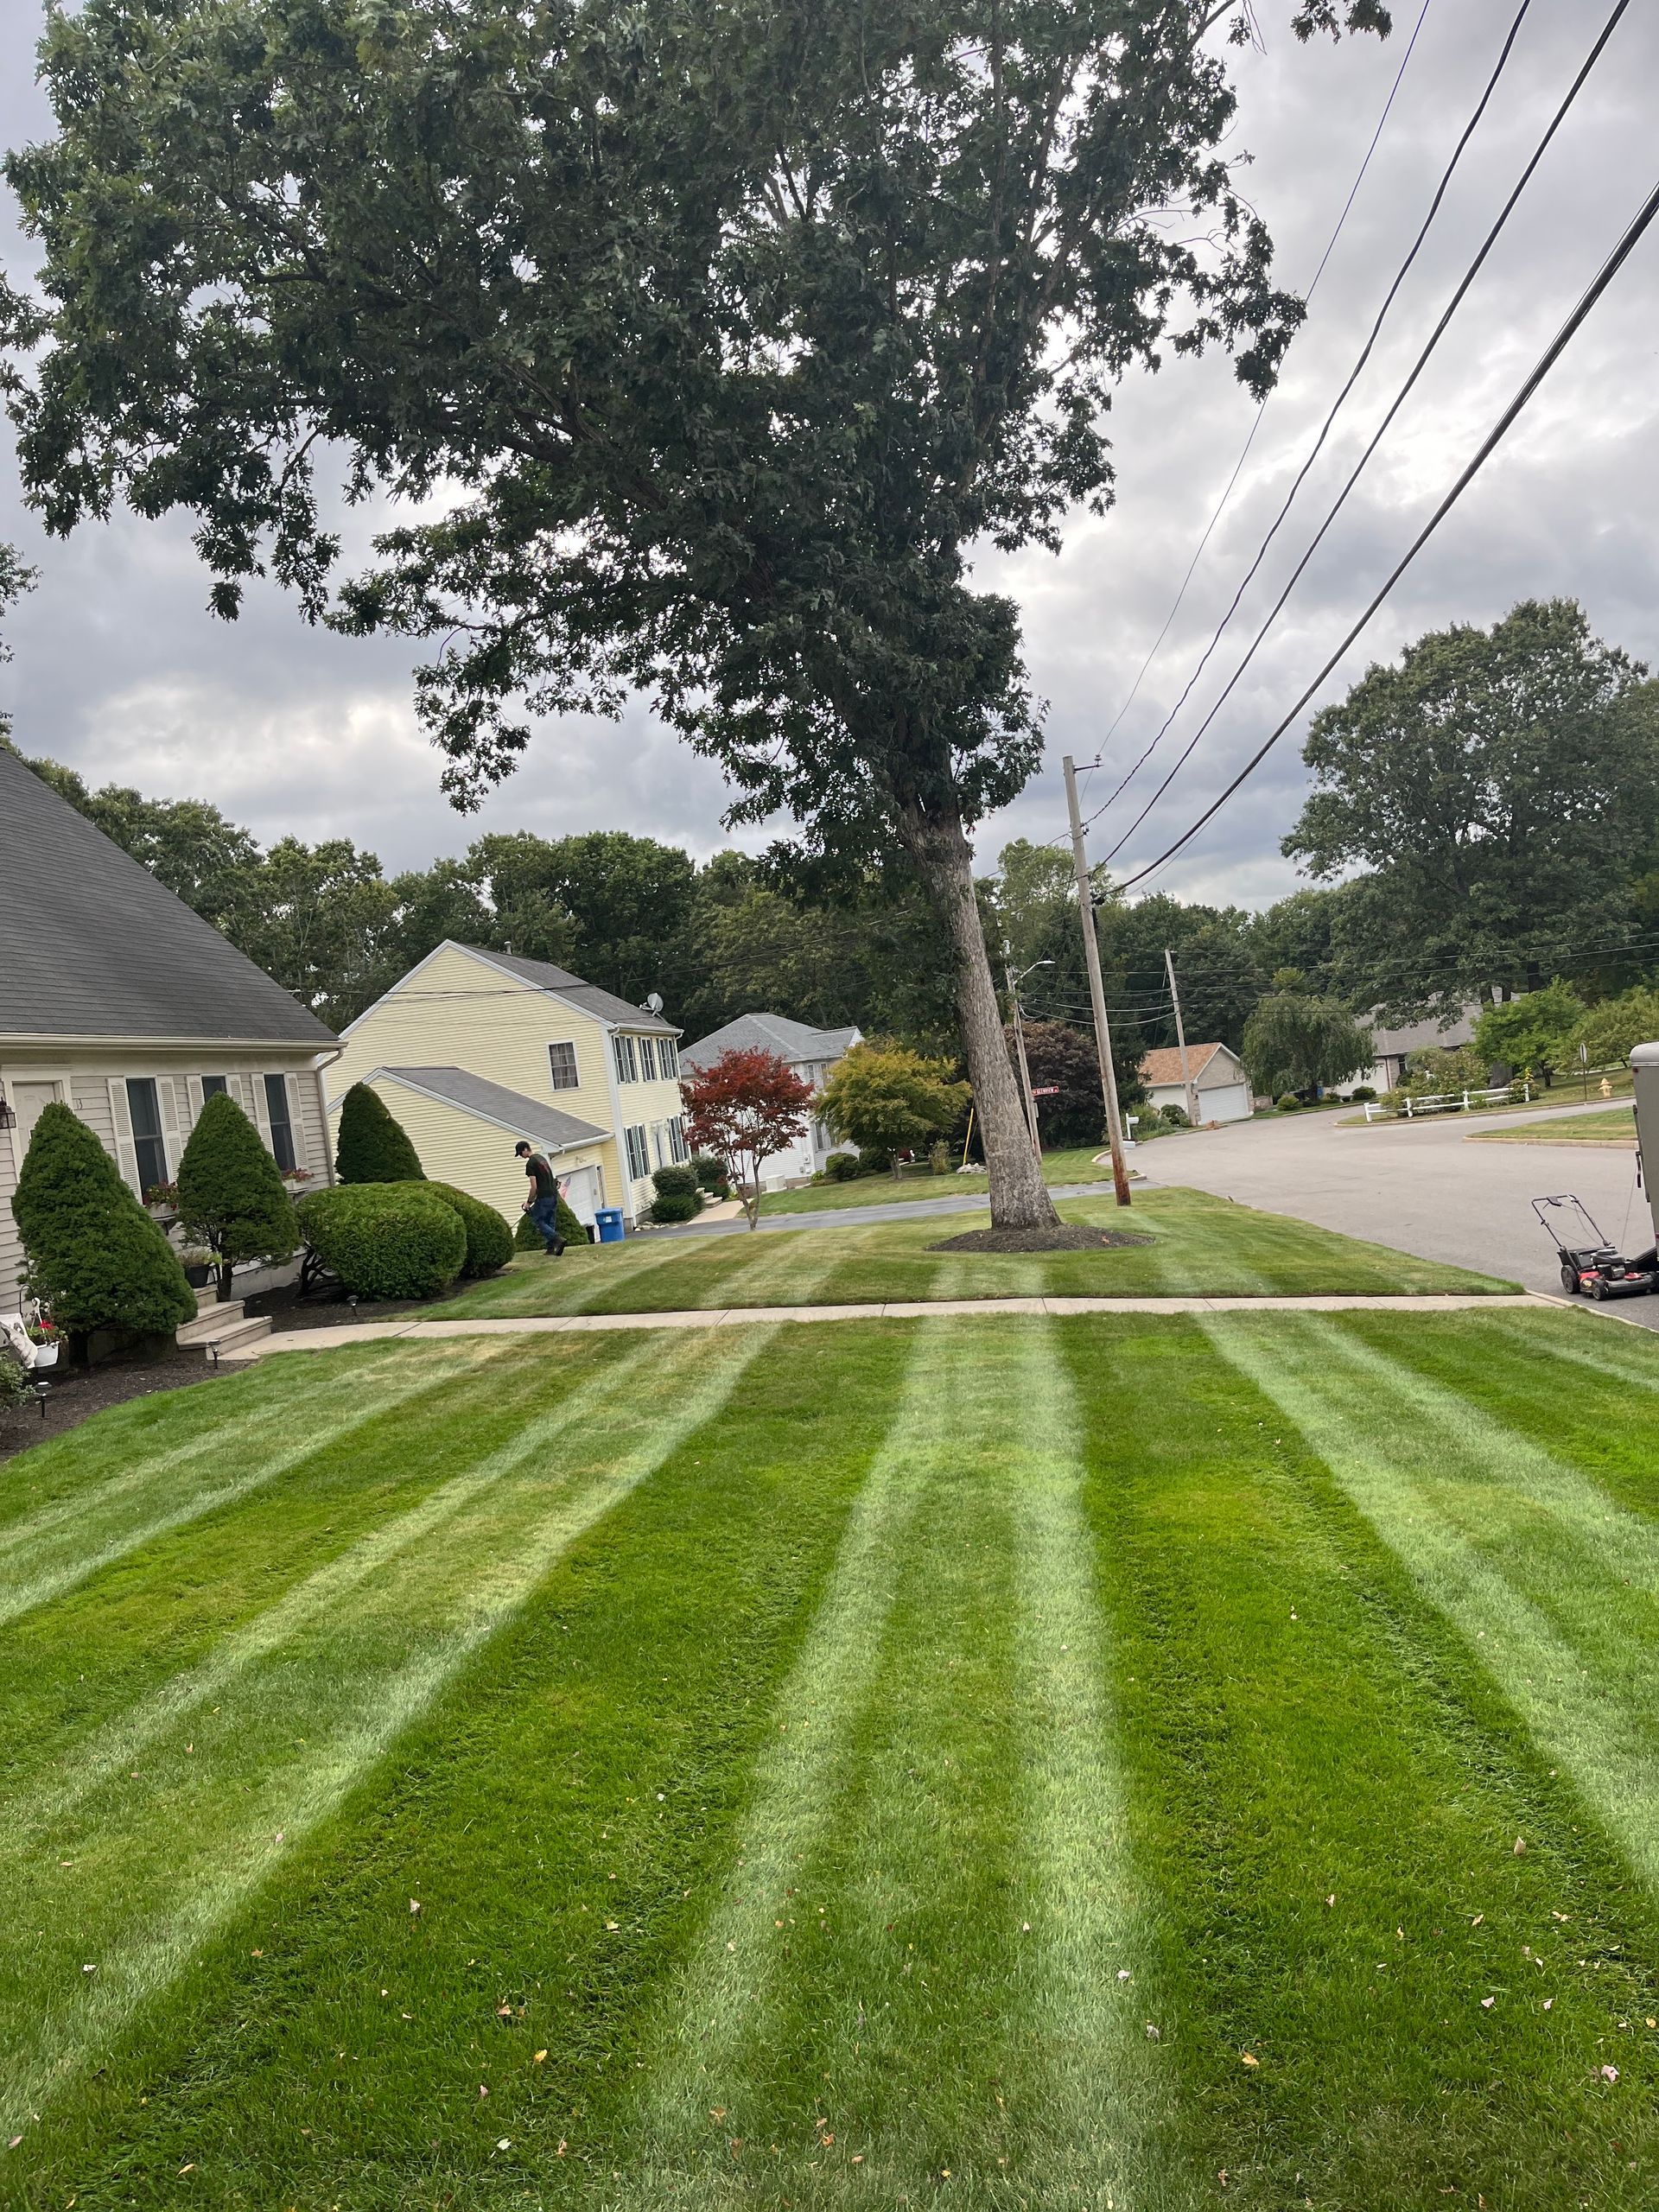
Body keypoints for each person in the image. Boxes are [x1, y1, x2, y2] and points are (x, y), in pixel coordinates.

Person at [514, 1140, 565, 1255]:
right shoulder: (541, 1158)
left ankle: (557, 1240)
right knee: (550, 1221)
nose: (521, 1156)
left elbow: (534, 1186)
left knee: (539, 1221)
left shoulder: (531, 1164)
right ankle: (551, 1249)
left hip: (543, 1197)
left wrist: (528, 1202)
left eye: (520, 1153)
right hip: (553, 1194)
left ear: (526, 1150)